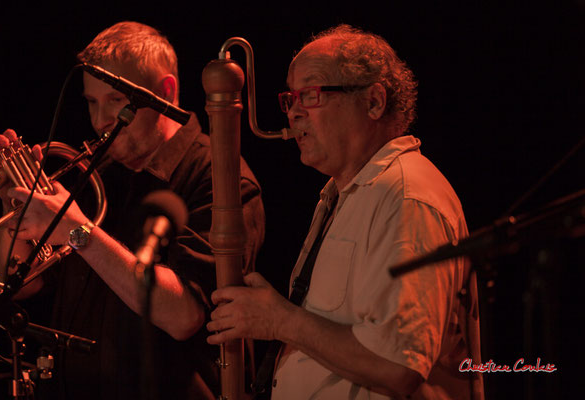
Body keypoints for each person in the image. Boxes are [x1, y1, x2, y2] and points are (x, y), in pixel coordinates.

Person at [0, 21, 265, 399]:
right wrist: (15, 201)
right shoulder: (97, 174)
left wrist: (76, 230)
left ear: (166, 91)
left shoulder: (219, 177)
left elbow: (185, 315)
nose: (100, 121)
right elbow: (21, 281)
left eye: (117, 101)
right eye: (91, 102)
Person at [207, 24, 484, 399]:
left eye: (310, 94)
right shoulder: (346, 192)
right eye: (291, 98)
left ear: (374, 102)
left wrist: (278, 320)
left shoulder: (406, 196)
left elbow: (397, 367)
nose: (294, 114)